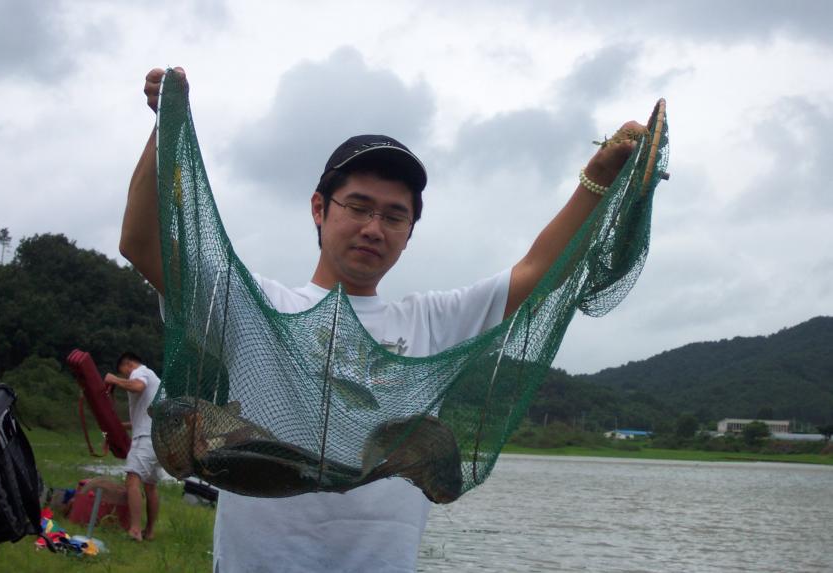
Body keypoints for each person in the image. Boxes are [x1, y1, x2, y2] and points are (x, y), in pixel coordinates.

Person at [120, 67, 645, 571]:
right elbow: (141, 244)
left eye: (395, 216)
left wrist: (597, 177)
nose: (374, 228)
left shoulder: (434, 323)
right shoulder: (254, 305)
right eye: (358, 206)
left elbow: (536, 271)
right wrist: (166, 129)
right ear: (319, 208)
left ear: (409, 233)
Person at [104, 351, 163, 542]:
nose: (124, 376)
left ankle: (135, 530)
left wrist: (114, 379)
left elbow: (138, 386)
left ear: (128, 364)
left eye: (122, 372)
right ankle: (149, 531)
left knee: (132, 480)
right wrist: (120, 426)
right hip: (159, 439)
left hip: (145, 438)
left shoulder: (139, 372)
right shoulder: (156, 380)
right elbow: (145, 416)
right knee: (150, 486)